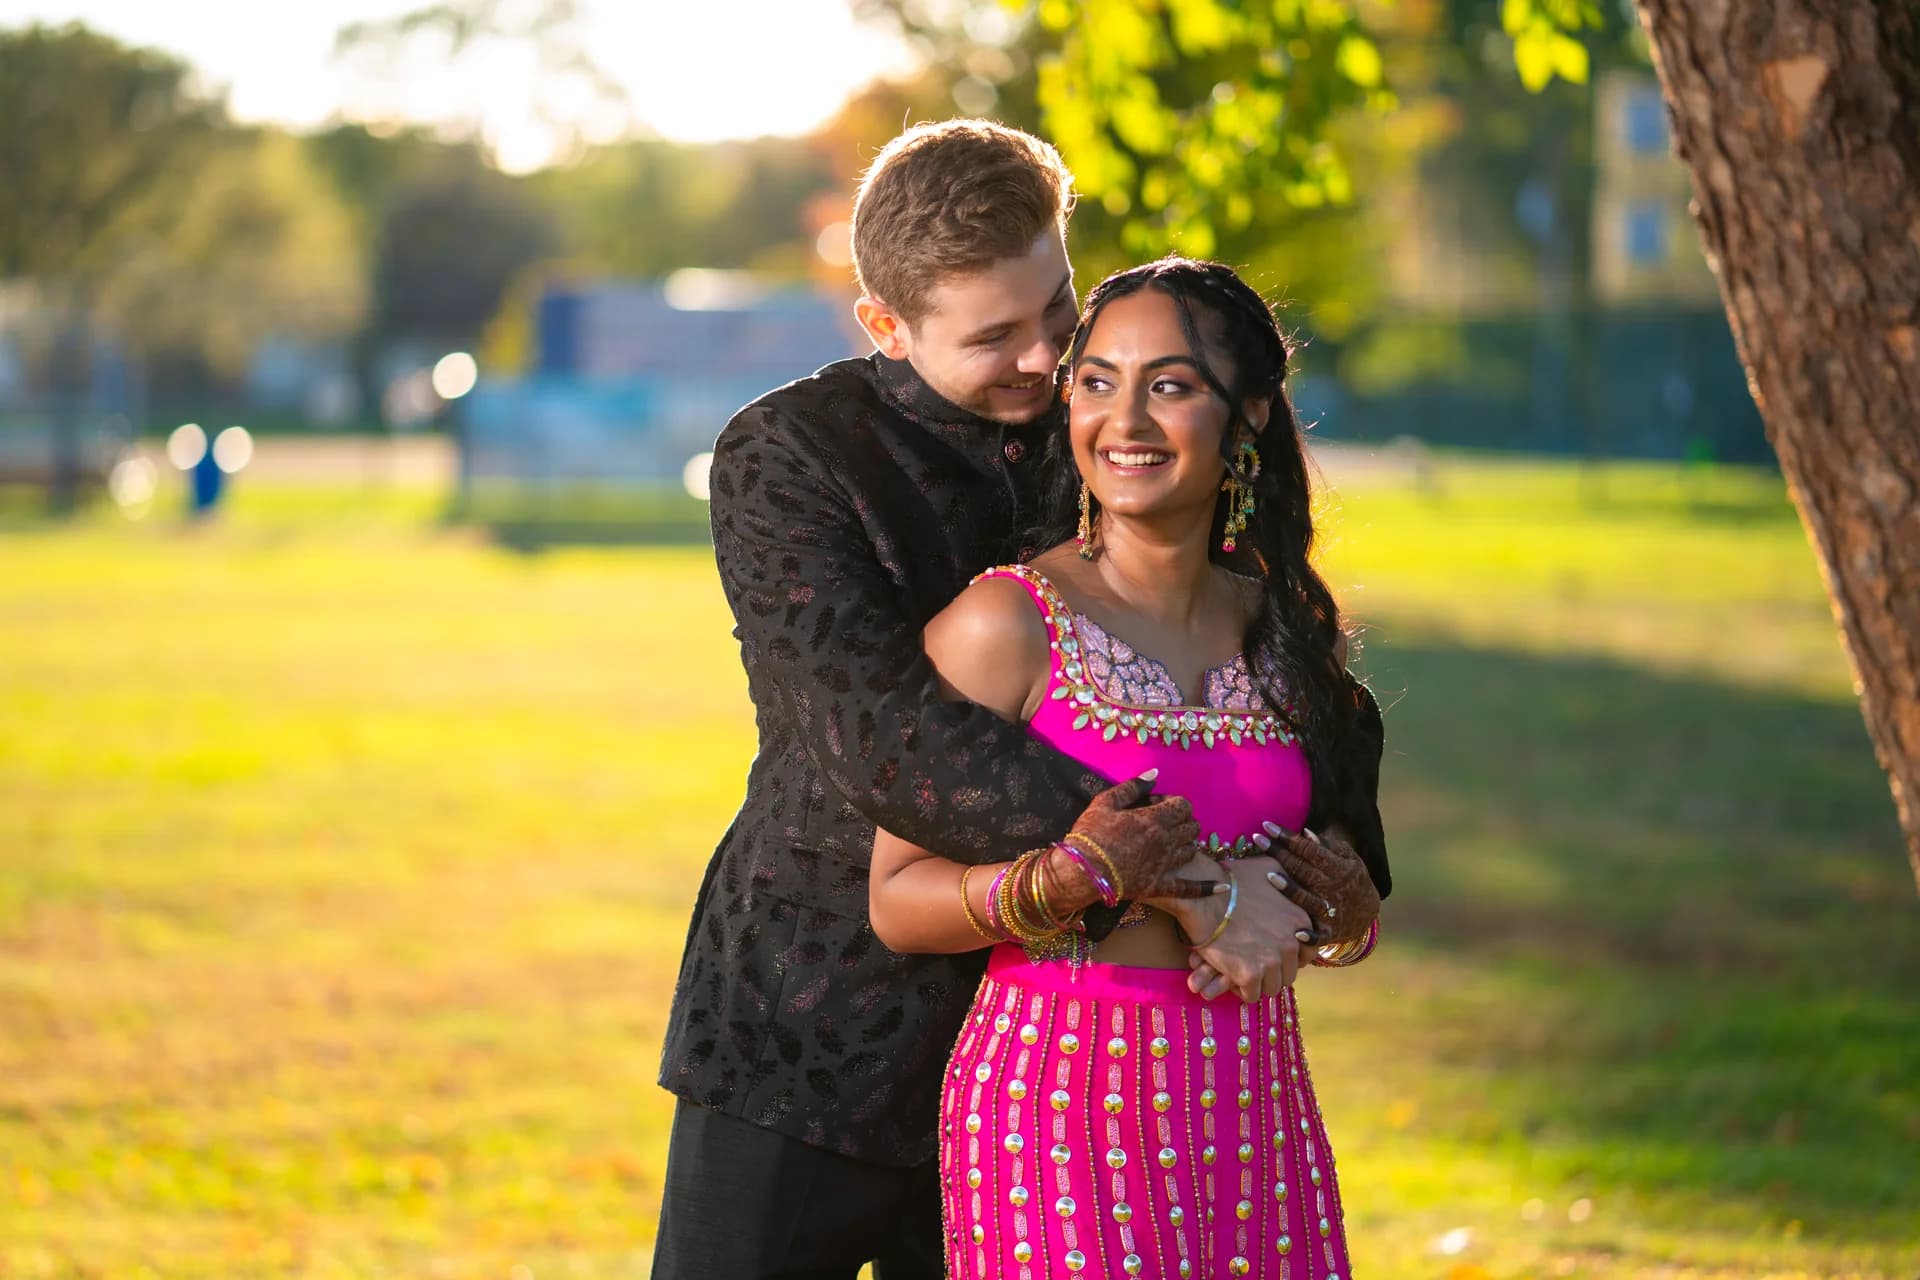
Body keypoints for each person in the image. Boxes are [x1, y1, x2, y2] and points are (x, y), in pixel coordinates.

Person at [653, 120, 1378, 1279]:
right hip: (811, 1023)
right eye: (995, 335)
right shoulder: (789, 454)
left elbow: (1247, 661)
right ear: (886, 325)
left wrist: (1322, 865)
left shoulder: (1094, 429)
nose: (1047, 361)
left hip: (1039, 1080)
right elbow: (878, 727)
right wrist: (1181, 876)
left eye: (1058, 309)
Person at [867, 258, 1391, 1280]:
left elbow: (1336, 912)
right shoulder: (1005, 624)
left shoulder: (1292, 643)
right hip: (1057, 1102)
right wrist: (1076, 876)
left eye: (1170, 383)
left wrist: (1343, 912)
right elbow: (897, 897)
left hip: (1253, 1096)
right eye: (1097, 380)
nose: (1125, 420)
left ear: (1245, 417)